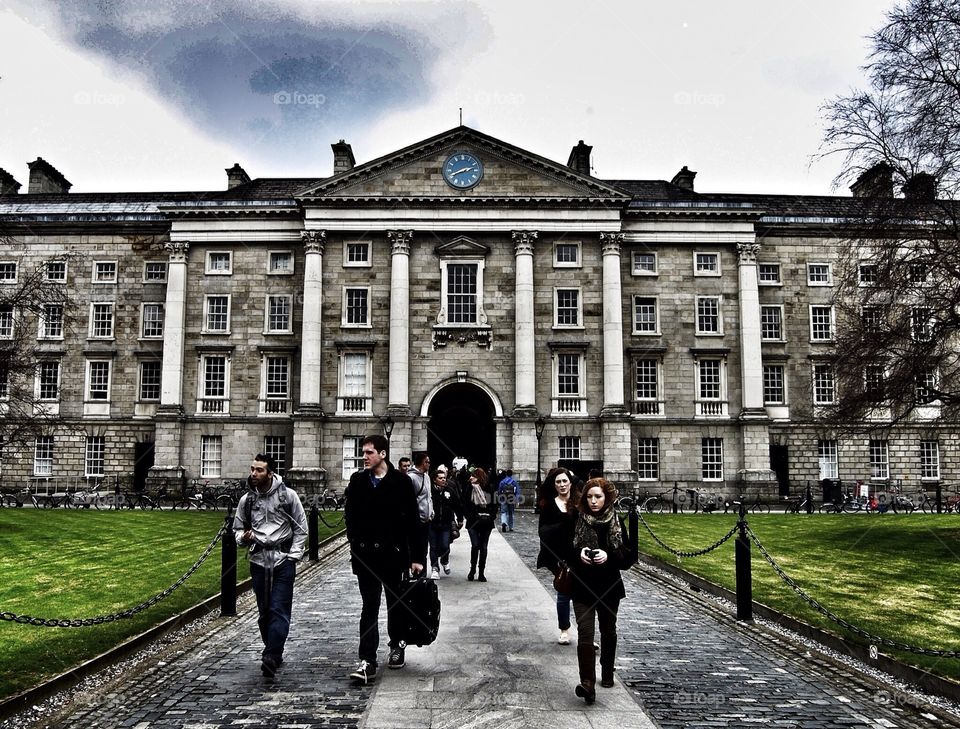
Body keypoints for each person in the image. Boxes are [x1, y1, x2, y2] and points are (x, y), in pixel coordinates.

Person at [344, 434, 425, 684]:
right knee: (369, 607)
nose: (364, 457)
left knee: (395, 604)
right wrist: (355, 544)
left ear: (382, 454)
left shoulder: (401, 482)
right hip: (366, 556)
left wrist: (417, 557)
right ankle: (367, 659)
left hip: (394, 555)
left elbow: (413, 521)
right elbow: (350, 517)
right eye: (363, 452)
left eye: (369, 452)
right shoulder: (357, 481)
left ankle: (397, 644)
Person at [233, 454, 309, 678]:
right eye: (252, 469)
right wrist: (243, 538)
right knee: (264, 610)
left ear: (270, 473)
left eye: (259, 470)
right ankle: (273, 648)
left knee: (279, 608)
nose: (254, 474)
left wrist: (293, 556)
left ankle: (272, 655)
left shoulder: (288, 496)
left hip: (282, 560)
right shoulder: (246, 500)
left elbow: (301, 528)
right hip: (258, 561)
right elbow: (237, 529)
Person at [566, 478, 636, 704]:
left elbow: (628, 559)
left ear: (607, 498)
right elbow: (566, 551)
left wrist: (608, 555)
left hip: (608, 586)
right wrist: (580, 554)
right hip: (582, 585)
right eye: (589, 497)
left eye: (598, 497)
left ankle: (607, 671)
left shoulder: (615, 521)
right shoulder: (576, 519)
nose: (594, 501)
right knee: (585, 633)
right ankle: (587, 683)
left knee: (608, 630)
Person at [536, 467, 579, 645]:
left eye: (564, 481)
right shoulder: (549, 505)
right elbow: (542, 531)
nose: (562, 485)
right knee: (563, 592)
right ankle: (564, 629)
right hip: (559, 555)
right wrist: (560, 526)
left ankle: (585, 634)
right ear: (554, 485)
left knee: (581, 595)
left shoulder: (579, 502)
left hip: (578, 553)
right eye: (558, 482)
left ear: (570, 482)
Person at [462, 466, 497, 581]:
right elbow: (465, 504)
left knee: (483, 547)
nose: (471, 477)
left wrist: (491, 516)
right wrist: (471, 516)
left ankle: (481, 571)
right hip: (473, 522)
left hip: (486, 522)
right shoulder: (469, 488)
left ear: (479, 477)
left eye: (473, 476)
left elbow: (494, 504)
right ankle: (472, 569)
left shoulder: (489, 488)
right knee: (475, 545)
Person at [428, 467, 463, 579]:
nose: (443, 480)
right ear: (434, 480)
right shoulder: (430, 491)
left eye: (444, 478)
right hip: (432, 523)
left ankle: (444, 560)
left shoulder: (449, 490)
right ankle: (434, 568)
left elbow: (457, 504)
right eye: (441, 478)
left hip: (446, 523)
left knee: (445, 545)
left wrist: (460, 518)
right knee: (433, 547)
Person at [407, 450, 434, 570]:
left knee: (424, 550)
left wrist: (431, 512)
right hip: (415, 522)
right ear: (422, 463)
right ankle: (414, 574)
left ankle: (422, 577)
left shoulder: (427, 477)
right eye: (427, 462)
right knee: (415, 549)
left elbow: (429, 497)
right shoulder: (411, 478)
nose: (429, 464)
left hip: (426, 521)